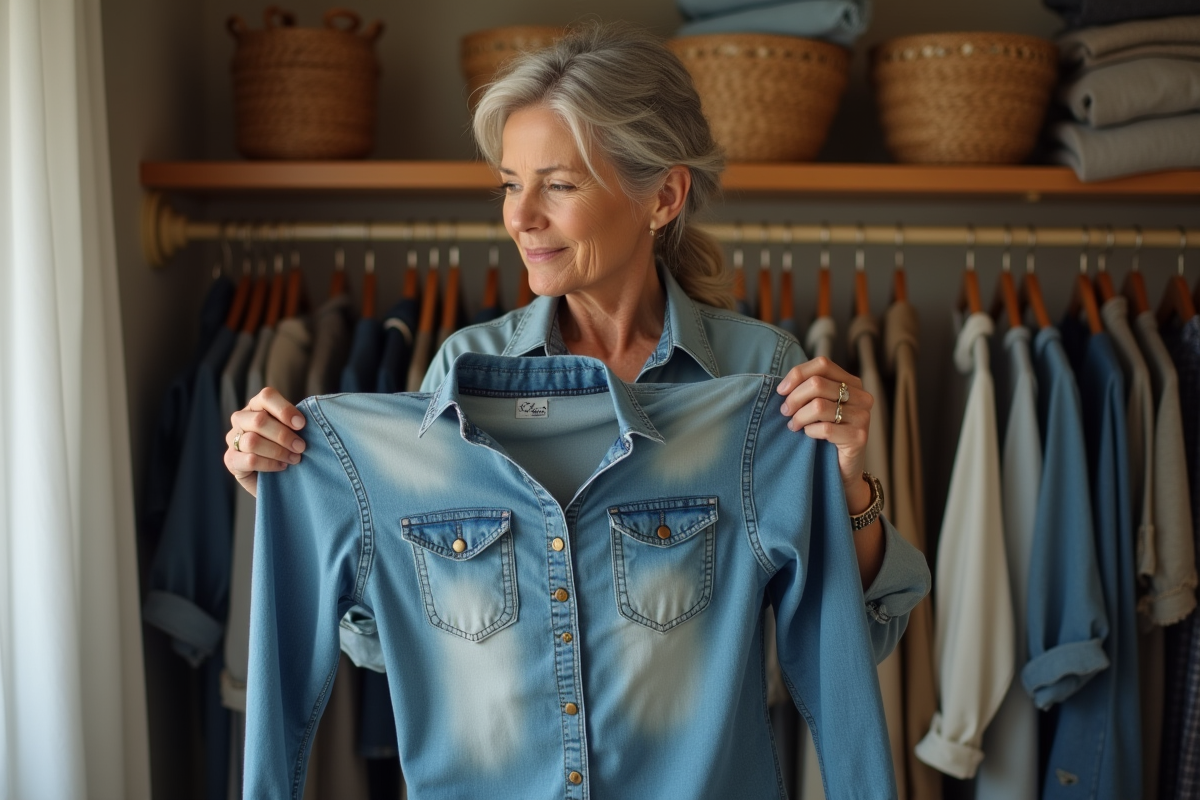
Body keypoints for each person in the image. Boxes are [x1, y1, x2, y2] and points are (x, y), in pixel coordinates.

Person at [226, 19, 929, 785]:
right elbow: (393, 645)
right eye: (509, 184)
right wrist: (304, 505)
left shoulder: (761, 379)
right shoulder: (463, 369)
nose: (521, 218)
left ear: (662, 195)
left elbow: (855, 637)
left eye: (557, 186)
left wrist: (851, 487)